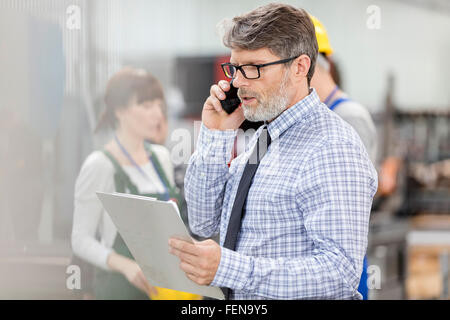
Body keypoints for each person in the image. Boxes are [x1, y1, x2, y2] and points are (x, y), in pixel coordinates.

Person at [168, 3, 378, 300]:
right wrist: (216, 135)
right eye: (235, 68)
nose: (238, 82)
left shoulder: (331, 146)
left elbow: (339, 273)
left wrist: (229, 268)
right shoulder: (265, 137)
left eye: (253, 68)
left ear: (300, 67)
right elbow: (203, 221)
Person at [71, 67, 198, 300]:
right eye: (146, 106)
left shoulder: (161, 158)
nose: (157, 115)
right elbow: (80, 239)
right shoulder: (99, 164)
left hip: (165, 288)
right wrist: (124, 265)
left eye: (159, 106)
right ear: (119, 111)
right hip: (120, 288)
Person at [309, 16, 378, 299]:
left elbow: (344, 199)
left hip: (343, 260)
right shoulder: (322, 115)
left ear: (309, 65)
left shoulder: (350, 117)